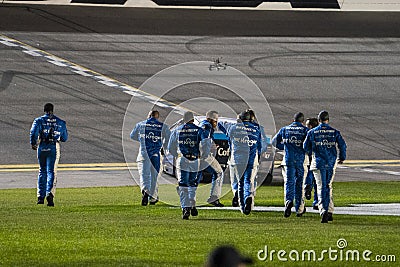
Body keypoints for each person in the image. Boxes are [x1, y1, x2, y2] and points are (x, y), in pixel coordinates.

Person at [303, 110, 347, 223]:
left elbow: (305, 146)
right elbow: (342, 145)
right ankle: (329, 210)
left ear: (319, 120)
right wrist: (342, 157)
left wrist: (311, 152)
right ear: (328, 120)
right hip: (331, 162)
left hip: (318, 162)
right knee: (328, 186)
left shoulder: (312, 132)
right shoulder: (334, 132)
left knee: (320, 186)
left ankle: (323, 211)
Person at [222, 110, 262, 215]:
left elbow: (223, 126)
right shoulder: (256, 129)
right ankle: (248, 196)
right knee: (248, 181)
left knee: (240, 183)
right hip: (251, 159)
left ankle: (243, 207)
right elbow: (260, 146)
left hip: (238, 159)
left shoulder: (233, 128)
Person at [168, 111, 206, 219]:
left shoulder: (177, 130)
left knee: (183, 183)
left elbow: (170, 147)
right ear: (193, 119)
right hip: (195, 159)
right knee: (192, 183)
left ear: (184, 120)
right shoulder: (199, 130)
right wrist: (203, 155)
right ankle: (192, 202)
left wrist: (176, 155)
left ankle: (185, 207)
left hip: (182, 159)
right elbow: (206, 143)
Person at [30, 103, 68, 206]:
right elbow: (64, 138)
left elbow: (33, 133)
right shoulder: (60, 122)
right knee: (52, 171)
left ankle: (40, 197)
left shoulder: (38, 121)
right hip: (53, 147)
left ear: (44, 110)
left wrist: (33, 143)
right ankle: (50, 194)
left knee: (42, 171)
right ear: (52, 110)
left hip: (42, 146)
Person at [130, 110, 171, 206]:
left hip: (144, 153)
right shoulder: (163, 126)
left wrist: (143, 139)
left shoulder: (140, 125)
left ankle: (145, 191)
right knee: (155, 176)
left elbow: (132, 136)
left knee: (144, 175)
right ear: (157, 117)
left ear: (148, 116)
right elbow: (168, 139)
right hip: (156, 154)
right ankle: (153, 197)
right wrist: (162, 146)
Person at [272, 112, 308, 218]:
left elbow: (274, 142)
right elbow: (308, 145)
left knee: (289, 183)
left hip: (288, 160)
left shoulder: (285, 129)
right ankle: (299, 209)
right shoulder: (306, 131)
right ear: (303, 121)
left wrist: (285, 147)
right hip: (301, 161)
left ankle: (288, 202)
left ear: (293, 120)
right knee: (300, 184)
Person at [230, 109, 268, 207]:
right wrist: (258, 154)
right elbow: (262, 144)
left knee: (238, 180)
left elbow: (230, 141)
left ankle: (238, 196)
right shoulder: (258, 128)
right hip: (252, 157)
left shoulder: (235, 127)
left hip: (237, 157)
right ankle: (249, 197)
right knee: (250, 179)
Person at [198, 110, 225, 207]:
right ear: (210, 119)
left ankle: (182, 187)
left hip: (198, 154)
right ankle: (214, 197)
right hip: (204, 155)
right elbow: (205, 141)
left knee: (196, 176)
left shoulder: (202, 125)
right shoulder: (207, 127)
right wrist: (206, 153)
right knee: (219, 172)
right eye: (215, 120)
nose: (216, 123)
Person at [304, 117, 319, 210]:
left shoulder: (308, 133)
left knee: (309, 173)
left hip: (308, 157)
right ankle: (316, 202)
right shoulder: (319, 133)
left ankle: (308, 186)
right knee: (318, 182)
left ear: (310, 126)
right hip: (318, 158)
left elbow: (305, 146)